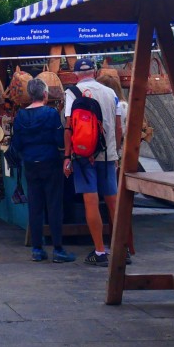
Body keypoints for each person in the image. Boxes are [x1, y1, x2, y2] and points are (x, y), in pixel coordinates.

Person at [63, 58, 122, 267]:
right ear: (95, 73)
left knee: (91, 201)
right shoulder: (111, 93)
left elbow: (69, 127)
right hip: (108, 155)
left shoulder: (72, 93)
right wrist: (115, 151)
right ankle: (121, 249)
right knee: (113, 202)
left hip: (83, 155)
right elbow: (118, 128)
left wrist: (67, 157)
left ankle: (99, 251)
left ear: (75, 75)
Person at [11, 77, 76, 263]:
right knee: (54, 205)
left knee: (35, 206)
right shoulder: (51, 114)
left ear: (30, 95)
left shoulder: (20, 116)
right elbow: (59, 139)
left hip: (31, 163)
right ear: (45, 94)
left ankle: (37, 249)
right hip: (50, 162)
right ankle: (58, 249)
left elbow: (17, 143)